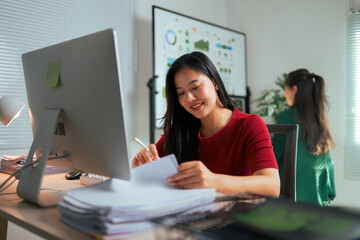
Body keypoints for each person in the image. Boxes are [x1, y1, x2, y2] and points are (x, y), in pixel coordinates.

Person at [132, 51, 280, 197]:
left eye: (195, 87)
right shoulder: (179, 130)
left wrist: (214, 181)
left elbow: (272, 186)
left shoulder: (249, 125)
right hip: (193, 216)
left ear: (214, 82)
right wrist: (143, 166)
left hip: (238, 216)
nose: (189, 98)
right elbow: (154, 169)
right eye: (181, 93)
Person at [272, 68, 336, 206]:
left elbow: (274, 155)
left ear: (294, 89)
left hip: (293, 194)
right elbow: (327, 159)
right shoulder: (320, 117)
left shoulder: (286, 116)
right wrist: (330, 191)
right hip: (319, 193)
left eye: (285, 90)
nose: (284, 94)